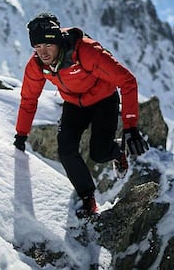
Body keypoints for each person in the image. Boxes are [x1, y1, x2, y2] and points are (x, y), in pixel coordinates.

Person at [14, 12, 148, 218]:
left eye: (48, 45)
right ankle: (88, 198)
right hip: (74, 104)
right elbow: (28, 99)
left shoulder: (85, 51)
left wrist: (131, 126)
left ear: (58, 41)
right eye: (38, 47)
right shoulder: (38, 65)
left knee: (99, 153)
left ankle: (118, 151)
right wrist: (21, 135)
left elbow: (127, 81)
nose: (43, 52)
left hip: (104, 99)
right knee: (66, 149)